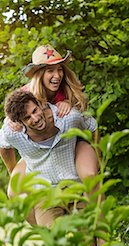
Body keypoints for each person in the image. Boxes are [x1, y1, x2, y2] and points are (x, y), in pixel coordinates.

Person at [0, 89, 98, 227]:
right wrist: (12, 169)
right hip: (45, 194)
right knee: (52, 243)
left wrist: (97, 157)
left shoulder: (68, 118)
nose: (35, 118)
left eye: (34, 111)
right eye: (27, 118)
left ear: (40, 104)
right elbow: (2, 144)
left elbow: (91, 126)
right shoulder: (13, 133)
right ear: (19, 122)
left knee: (87, 242)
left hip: (75, 188)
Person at [6, 44, 98, 195]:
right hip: (38, 151)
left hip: (71, 143)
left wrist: (69, 103)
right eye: (50, 70)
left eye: (59, 69)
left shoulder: (67, 89)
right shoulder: (24, 96)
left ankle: (95, 213)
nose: (57, 75)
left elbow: (86, 119)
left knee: (90, 176)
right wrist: (11, 120)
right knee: (13, 192)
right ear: (40, 74)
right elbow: (8, 124)